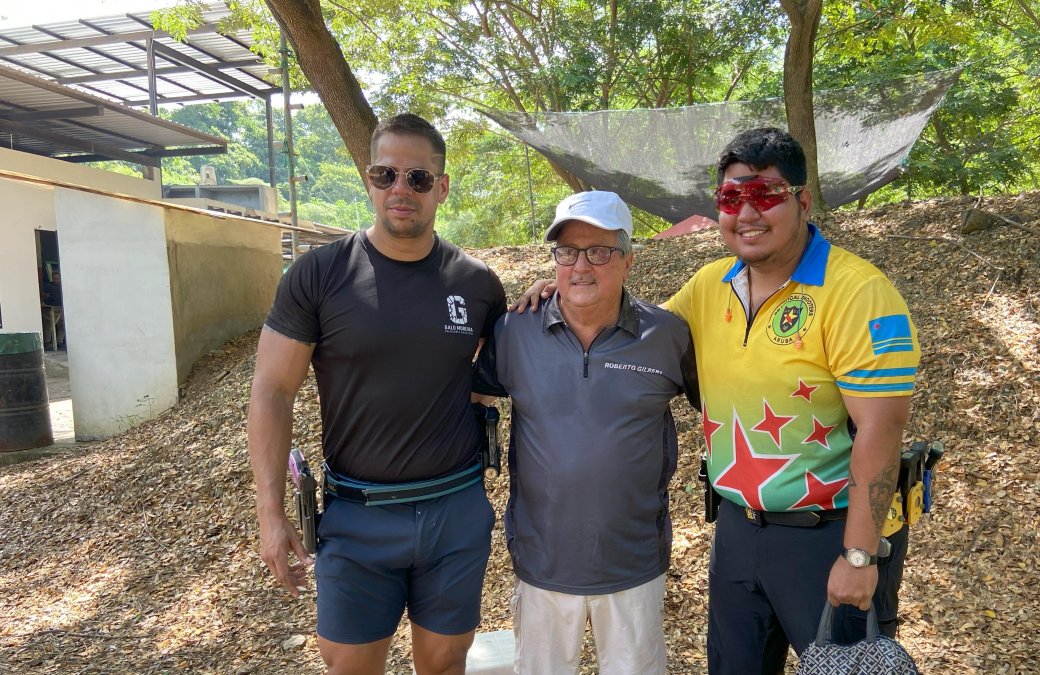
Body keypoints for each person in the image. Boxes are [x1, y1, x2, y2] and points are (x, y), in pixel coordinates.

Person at [516, 128, 920, 674]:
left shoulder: (858, 292)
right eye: (732, 197)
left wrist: (859, 555)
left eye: (766, 194)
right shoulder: (710, 286)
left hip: (829, 534)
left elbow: (881, 430)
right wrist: (569, 289)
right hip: (737, 529)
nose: (747, 212)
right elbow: (634, 336)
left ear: (802, 200)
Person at [248, 113, 507, 675]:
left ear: (441, 187)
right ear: (367, 179)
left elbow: (503, 370)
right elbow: (271, 390)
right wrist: (271, 512)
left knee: (444, 664)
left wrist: (548, 293)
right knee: (349, 667)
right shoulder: (319, 274)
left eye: (418, 178)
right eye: (385, 173)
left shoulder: (478, 283)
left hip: (454, 510)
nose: (400, 189)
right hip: (356, 514)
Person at [473, 191, 697, 674]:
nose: (581, 266)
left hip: (633, 563)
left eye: (599, 251)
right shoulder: (515, 331)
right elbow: (475, 398)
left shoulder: (667, 336)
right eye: (567, 252)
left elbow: (720, 409)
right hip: (542, 564)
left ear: (627, 261)